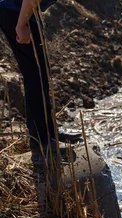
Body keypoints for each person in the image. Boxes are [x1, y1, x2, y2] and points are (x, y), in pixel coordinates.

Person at [0, 0, 80, 163]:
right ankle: (41, 143)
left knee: (40, 76)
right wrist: (21, 24)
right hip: (18, 12)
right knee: (35, 77)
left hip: (20, 12)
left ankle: (49, 134)